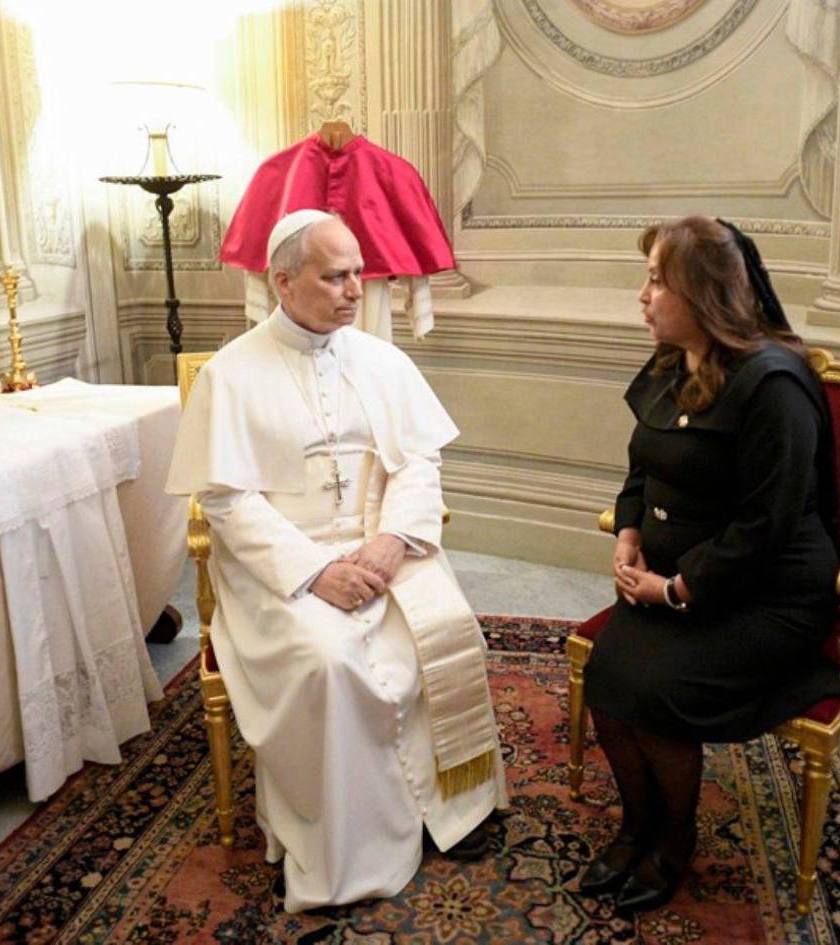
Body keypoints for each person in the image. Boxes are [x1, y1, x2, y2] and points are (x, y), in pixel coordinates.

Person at [165, 209, 507, 913]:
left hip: (384, 545)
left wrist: (392, 541)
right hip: (284, 568)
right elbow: (228, 502)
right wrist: (315, 571)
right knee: (330, 659)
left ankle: (452, 809)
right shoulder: (230, 376)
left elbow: (419, 462)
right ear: (283, 281)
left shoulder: (383, 359)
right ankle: (354, 846)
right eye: (336, 275)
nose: (355, 289)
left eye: (358, 272)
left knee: (444, 631)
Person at [580, 215, 840, 916]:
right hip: (674, 578)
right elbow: (644, 461)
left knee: (662, 692)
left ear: (701, 294)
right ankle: (635, 824)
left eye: (656, 279)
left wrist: (676, 588)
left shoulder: (774, 386)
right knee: (608, 675)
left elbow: (767, 527)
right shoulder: (674, 361)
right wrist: (630, 529)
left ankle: (673, 841)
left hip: (768, 594)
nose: (642, 295)